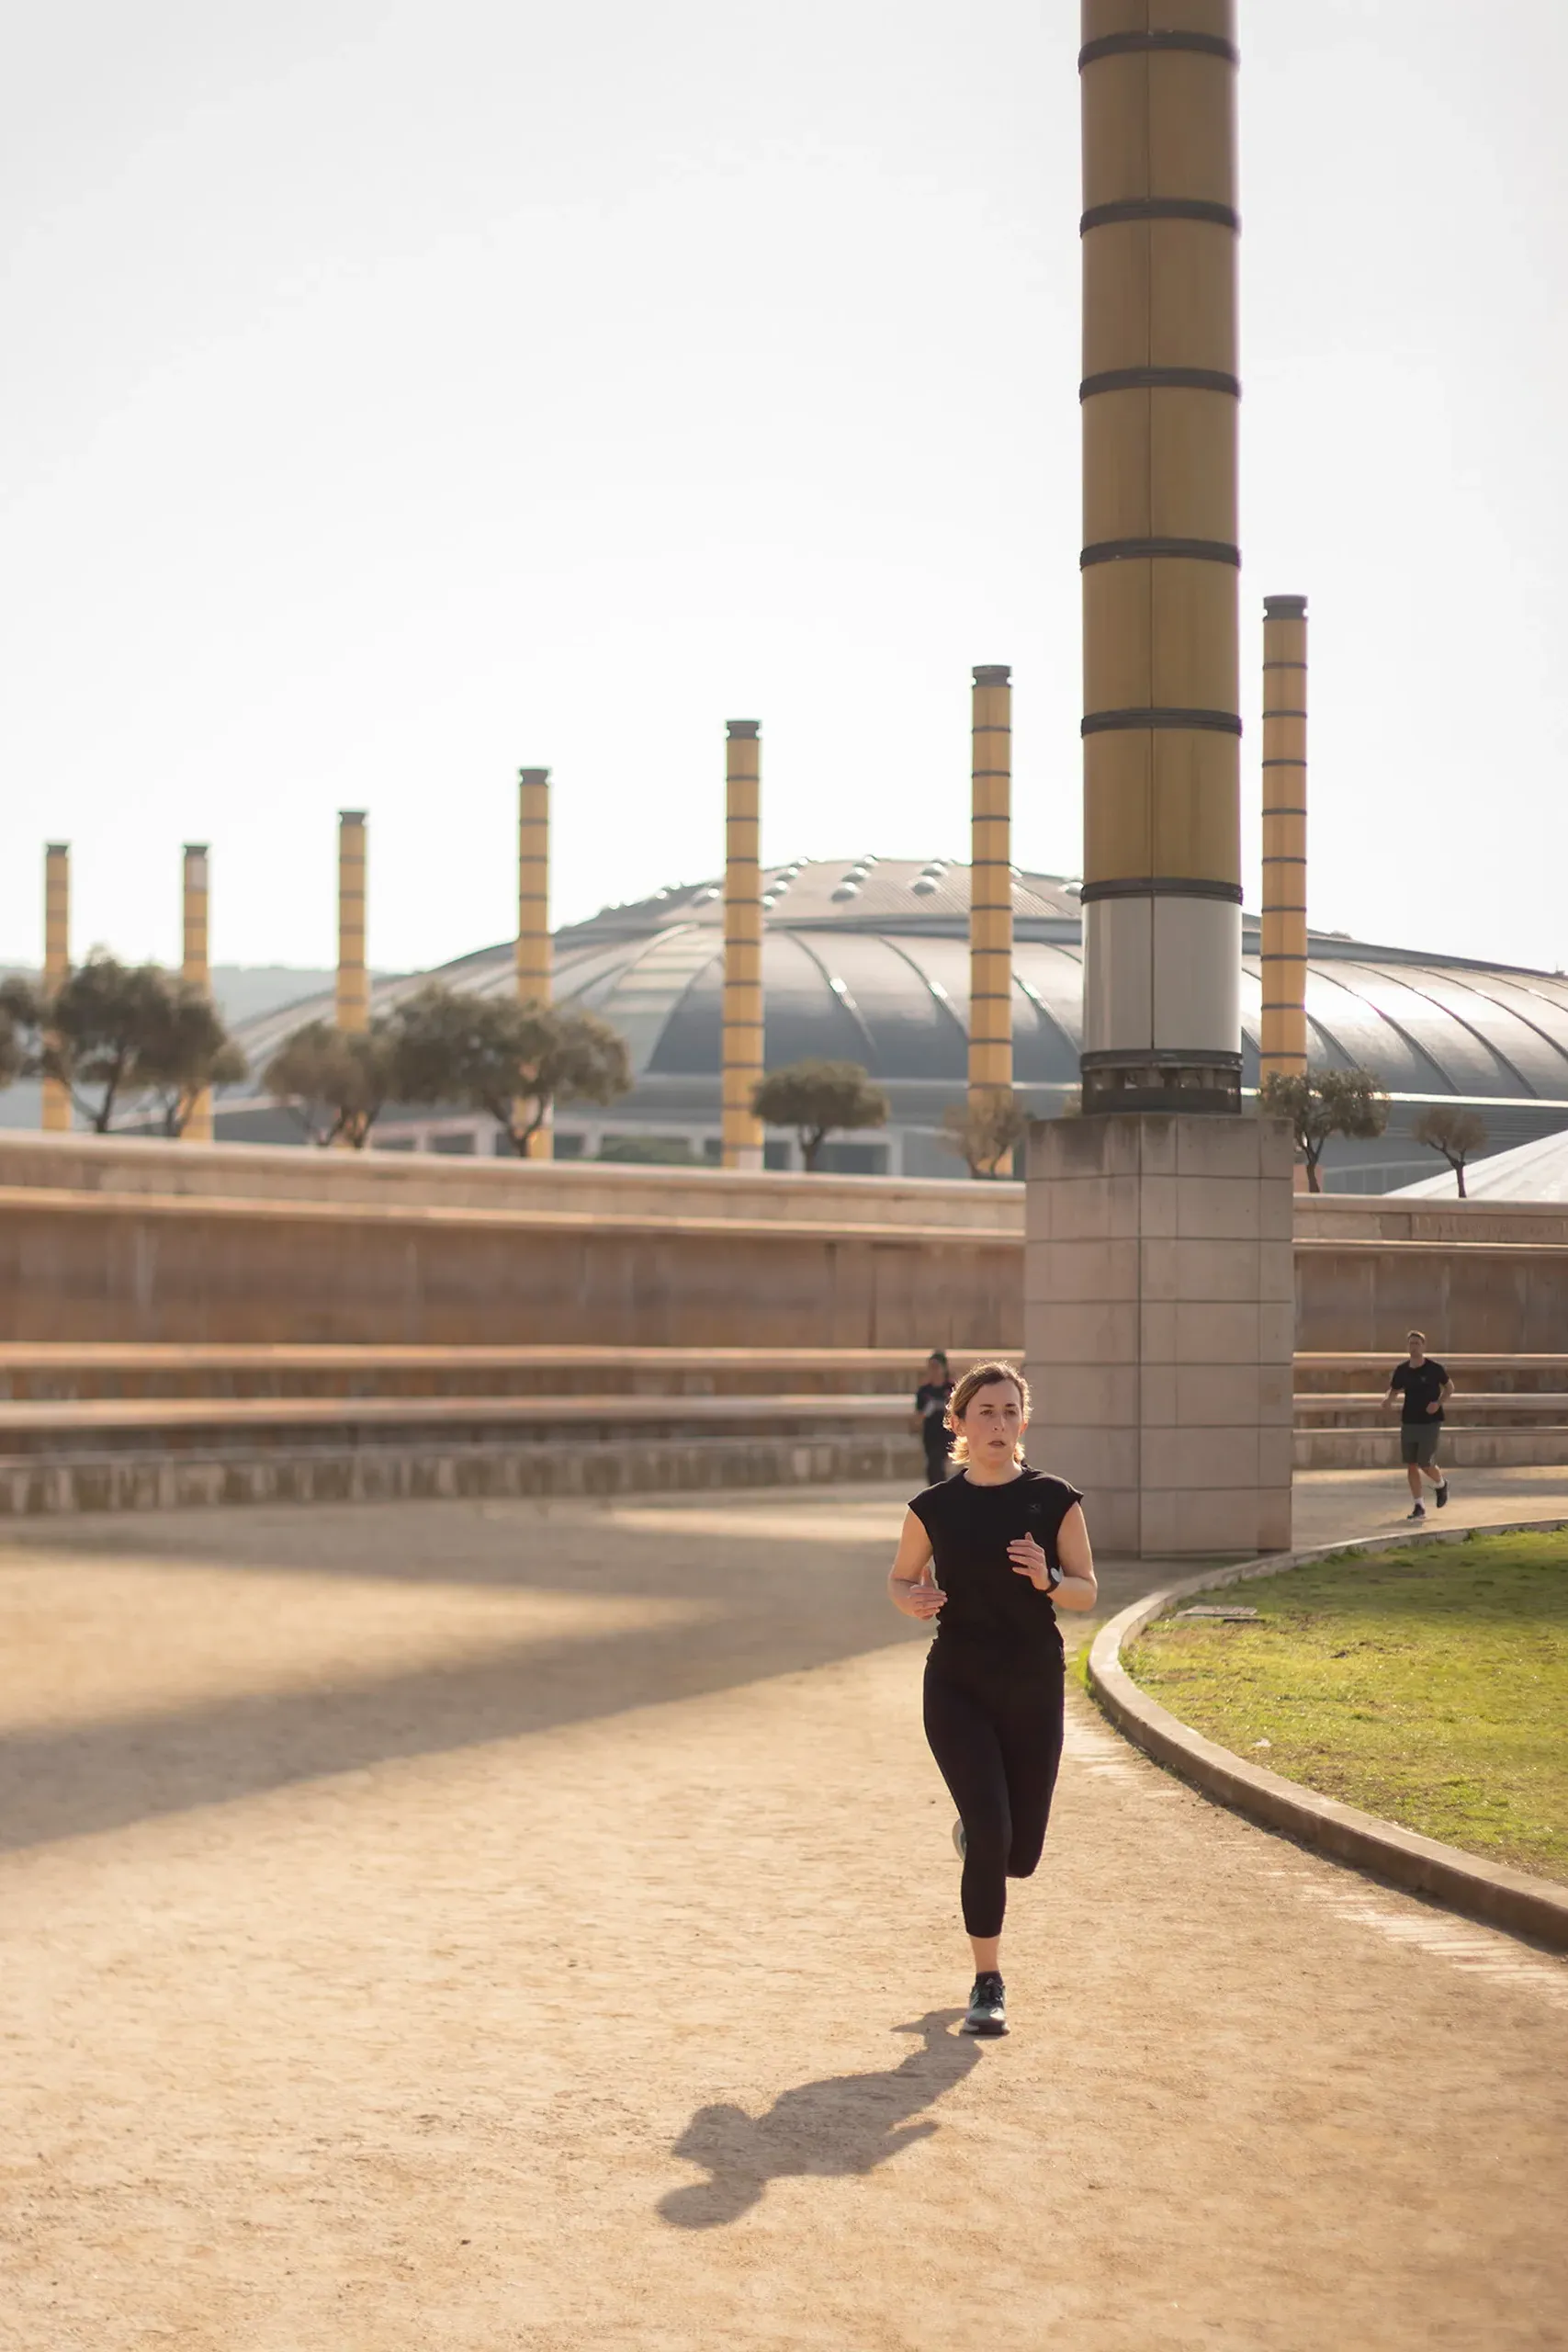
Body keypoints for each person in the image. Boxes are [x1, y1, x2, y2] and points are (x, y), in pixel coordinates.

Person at [886, 1361, 1096, 2038]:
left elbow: (1087, 1591)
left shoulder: (1054, 1499)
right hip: (956, 1684)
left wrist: (1049, 1579)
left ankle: (982, 1836)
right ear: (958, 1424)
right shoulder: (933, 1508)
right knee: (993, 1833)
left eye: (1010, 1412)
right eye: (985, 1413)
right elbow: (899, 1577)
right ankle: (986, 1980)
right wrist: (910, 1599)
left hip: (1033, 1683)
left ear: (1022, 1423)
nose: (998, 1424)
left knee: (1018, 1853)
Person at [1382, 1330, 1453, 1520]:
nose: (1414, 1347)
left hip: (1430, 1421)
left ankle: (1441, 1484)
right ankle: (1419, 1506)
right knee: (1411, 1464)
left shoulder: (1434, 1368)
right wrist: (1388, 1400)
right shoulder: (1402, 1370)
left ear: (1423, 1346)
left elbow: (1450, 1387)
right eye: (1411, 1343)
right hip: (1409, 1420)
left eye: (1417, 1344)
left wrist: (1438, 1403)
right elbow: (1394, 1389)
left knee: (1425, 1462)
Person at [911, 1351, 954, 1485]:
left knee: (942, 1468)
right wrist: (927, 1411)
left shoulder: (952, 1389)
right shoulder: (924, 1392)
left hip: (948, 1436)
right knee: (933, 1470)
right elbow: (917, 1420)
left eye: (936, 1367)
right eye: (930, 1367)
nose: (933, 1371)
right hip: (931, 1437)